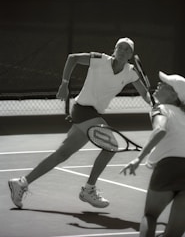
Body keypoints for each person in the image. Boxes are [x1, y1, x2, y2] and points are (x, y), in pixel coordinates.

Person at [8, 37, 150, 209]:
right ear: (114, 49)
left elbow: (144, 93)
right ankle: (88, 190)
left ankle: (21, 183)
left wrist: (154, 103)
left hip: (92, 113)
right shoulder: (99, 59)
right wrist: (64, 85)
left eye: (127, 50)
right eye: (120, 48)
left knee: (62, 154)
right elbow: (72, 58)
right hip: (82, 110)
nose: (123, 51)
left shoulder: (130, 71)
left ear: (131, 54)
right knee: (111, 146)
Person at [121, 71, 185, 237]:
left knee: (150, 215)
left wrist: (138, 158)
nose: (159, 84)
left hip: (169, 168)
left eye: (164, 84)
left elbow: (160, 130)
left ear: (174, 94)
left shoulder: (161, 109)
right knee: (174, 234)